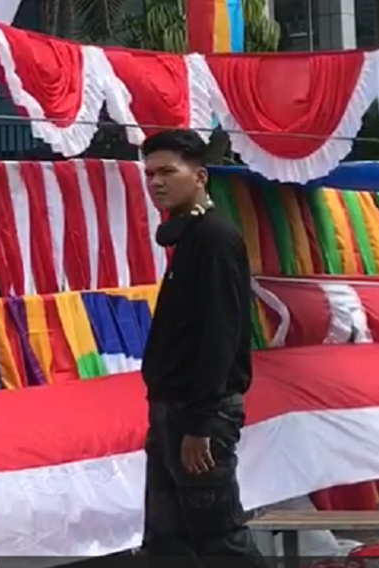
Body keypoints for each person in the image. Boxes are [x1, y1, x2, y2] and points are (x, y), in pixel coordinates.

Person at [138, 129, 264, 564]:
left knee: (218, 537)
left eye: (168, 172)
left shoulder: (214, 239)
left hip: (199, 414)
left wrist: (199, 425)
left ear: (200, 176)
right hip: (172, 409)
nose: (156, 182)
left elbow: (220, 337)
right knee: (168, 541)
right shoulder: (190, 237)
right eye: (150, 173)